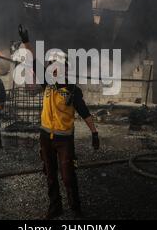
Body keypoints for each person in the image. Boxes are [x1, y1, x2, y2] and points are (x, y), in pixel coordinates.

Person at [18, 25, 100, 219]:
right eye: (51, 65)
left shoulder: (73, 90)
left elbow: (85, 113)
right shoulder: (47, 82)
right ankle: (55, 207)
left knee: (67, 176)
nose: (52, 68)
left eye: (56, 65)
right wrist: (26, 43)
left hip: (64, 140)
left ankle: (75, 206)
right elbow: (35, 62)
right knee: (50, 175)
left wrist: (94, 133)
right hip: (45, 136)